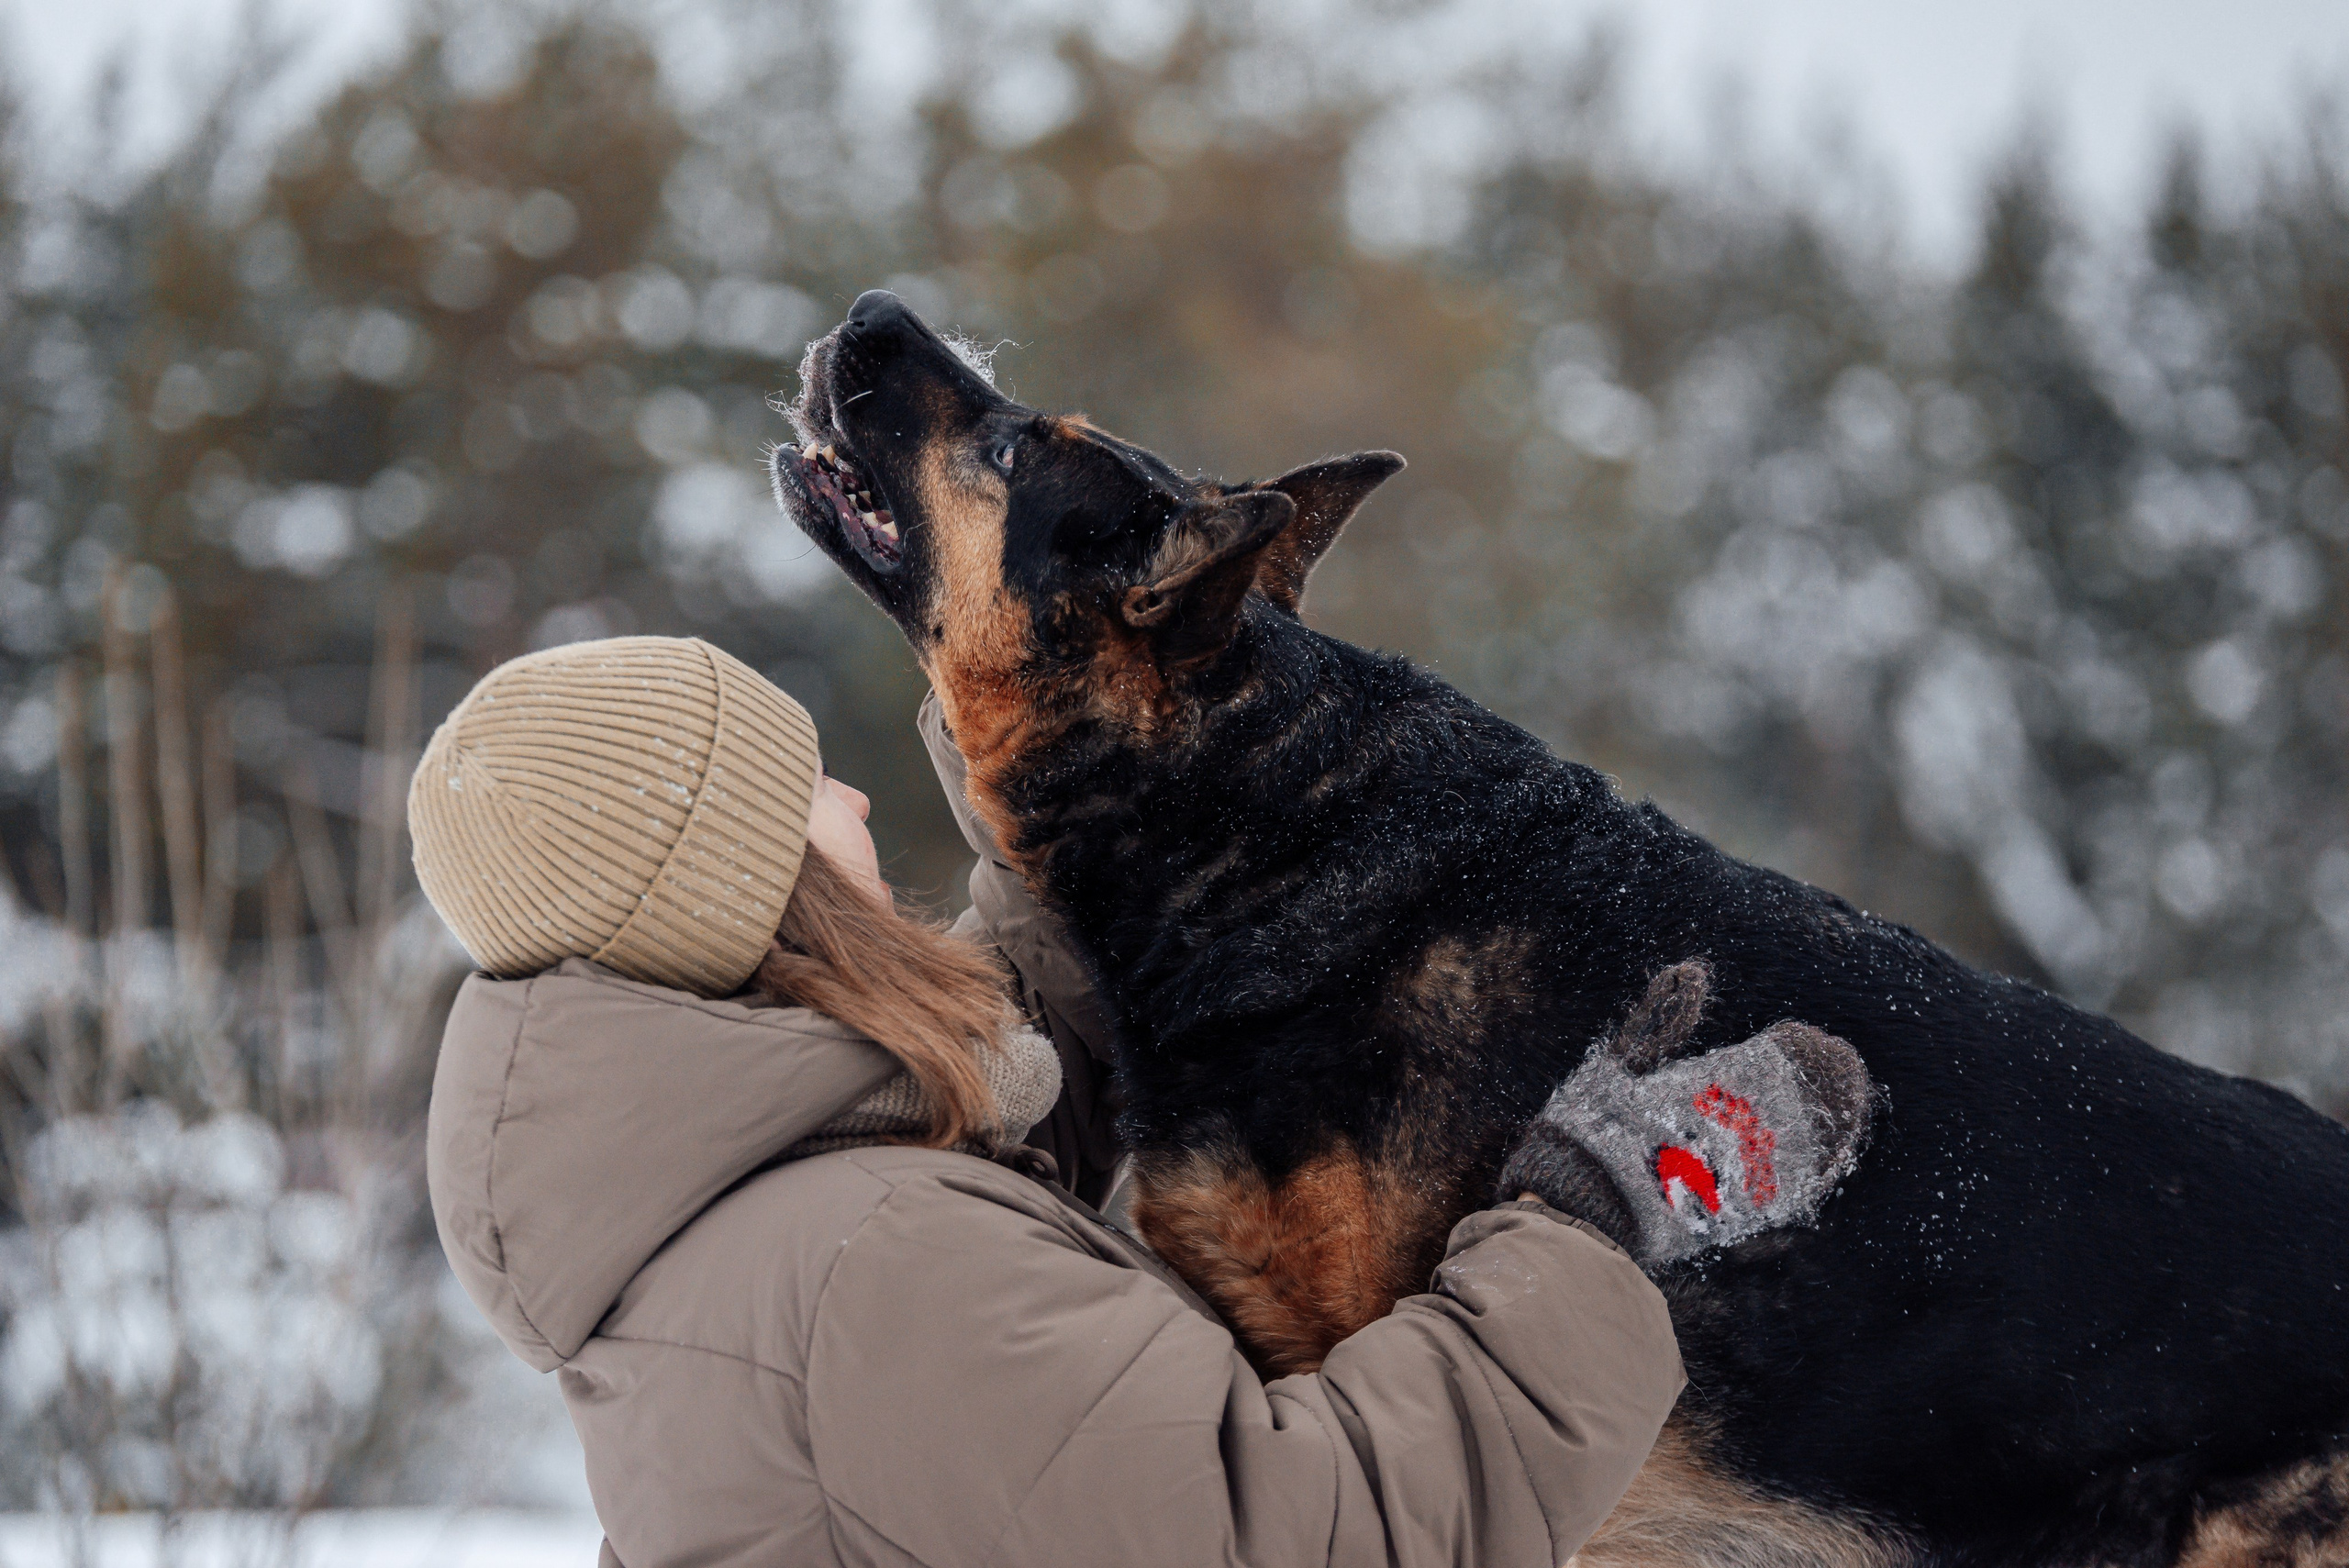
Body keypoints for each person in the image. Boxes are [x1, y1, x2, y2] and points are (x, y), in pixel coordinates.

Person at [412, 636, 1868, 1568]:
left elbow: (1013, 1086)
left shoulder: (748, 1213)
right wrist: (1590, 1211)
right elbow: (1317, 1532)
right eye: (802, 789)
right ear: (746, 892)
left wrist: (1067, 785)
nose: (851, 798)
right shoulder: (870, 1278)